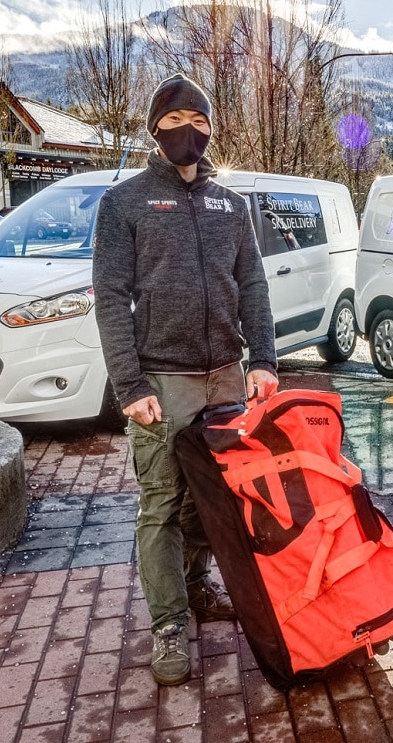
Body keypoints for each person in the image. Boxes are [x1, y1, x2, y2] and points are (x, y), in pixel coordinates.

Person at [93, 73, 279, 687]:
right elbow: (111, 298)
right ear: (154, 130)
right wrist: (130, 386)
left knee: (213, 501)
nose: (187, 132)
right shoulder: (124, 202)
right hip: (162, 384)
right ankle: (169, 624)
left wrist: (264, 361)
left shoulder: (232, 204)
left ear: (210, 128)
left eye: (197, 122)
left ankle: (199, 588)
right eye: (174, 123)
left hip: (226, 378)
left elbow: (251, 284)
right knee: (162, 506)